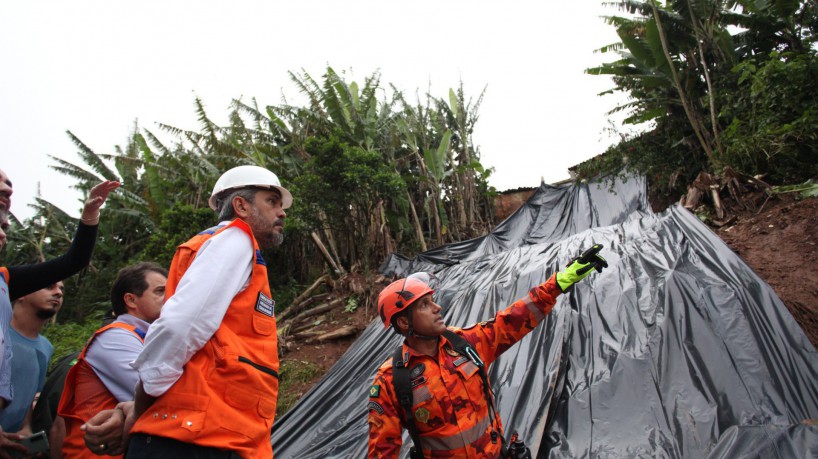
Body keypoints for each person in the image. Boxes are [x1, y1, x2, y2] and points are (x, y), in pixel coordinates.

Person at [114, 165, 291, 459]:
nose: (281, 212)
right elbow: (180, 327)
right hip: (198, 440)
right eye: (271, 201)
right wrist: (141, 407)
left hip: (208, 435)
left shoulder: (224, 249)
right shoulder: (235, 240)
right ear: (241, 206)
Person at [367, 245, 608, 458]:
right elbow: (382, 452)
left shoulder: (465, 344)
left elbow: (513, 320)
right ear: (404, 323)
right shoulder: (390, 381)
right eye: (424, 305)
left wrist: (560, 282)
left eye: (432, 300)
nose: (437, 307)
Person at [0, 167, 119, 457]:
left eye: (9, 184)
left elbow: (71, 262)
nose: (8, 190)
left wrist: (90, 215)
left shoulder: (5, 280)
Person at [56, 262, 168, 459]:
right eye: (160, 291)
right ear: (131, 300)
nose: (170, 298)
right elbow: (158, 393)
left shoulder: (146, 337)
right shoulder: (114, 337)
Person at [0, 282, 65, 435]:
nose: (59, 293)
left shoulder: (46, 347)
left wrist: (27, 428)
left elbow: (30, 395)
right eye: (49, 286)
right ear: (21, 293)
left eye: (61, 289)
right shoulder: (2, 335)